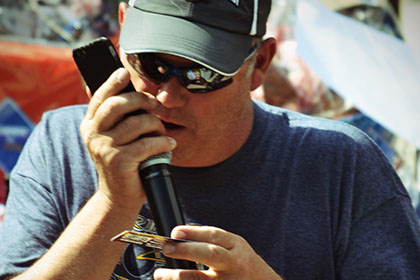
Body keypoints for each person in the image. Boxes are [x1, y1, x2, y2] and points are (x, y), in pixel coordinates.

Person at [1, 0, 420, 279]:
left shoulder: (341, 165)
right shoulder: (61, 143)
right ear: (123, 29)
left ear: (259, 65)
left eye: (201, 74)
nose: (167, 96)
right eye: (151, 65)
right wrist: (112, 203)